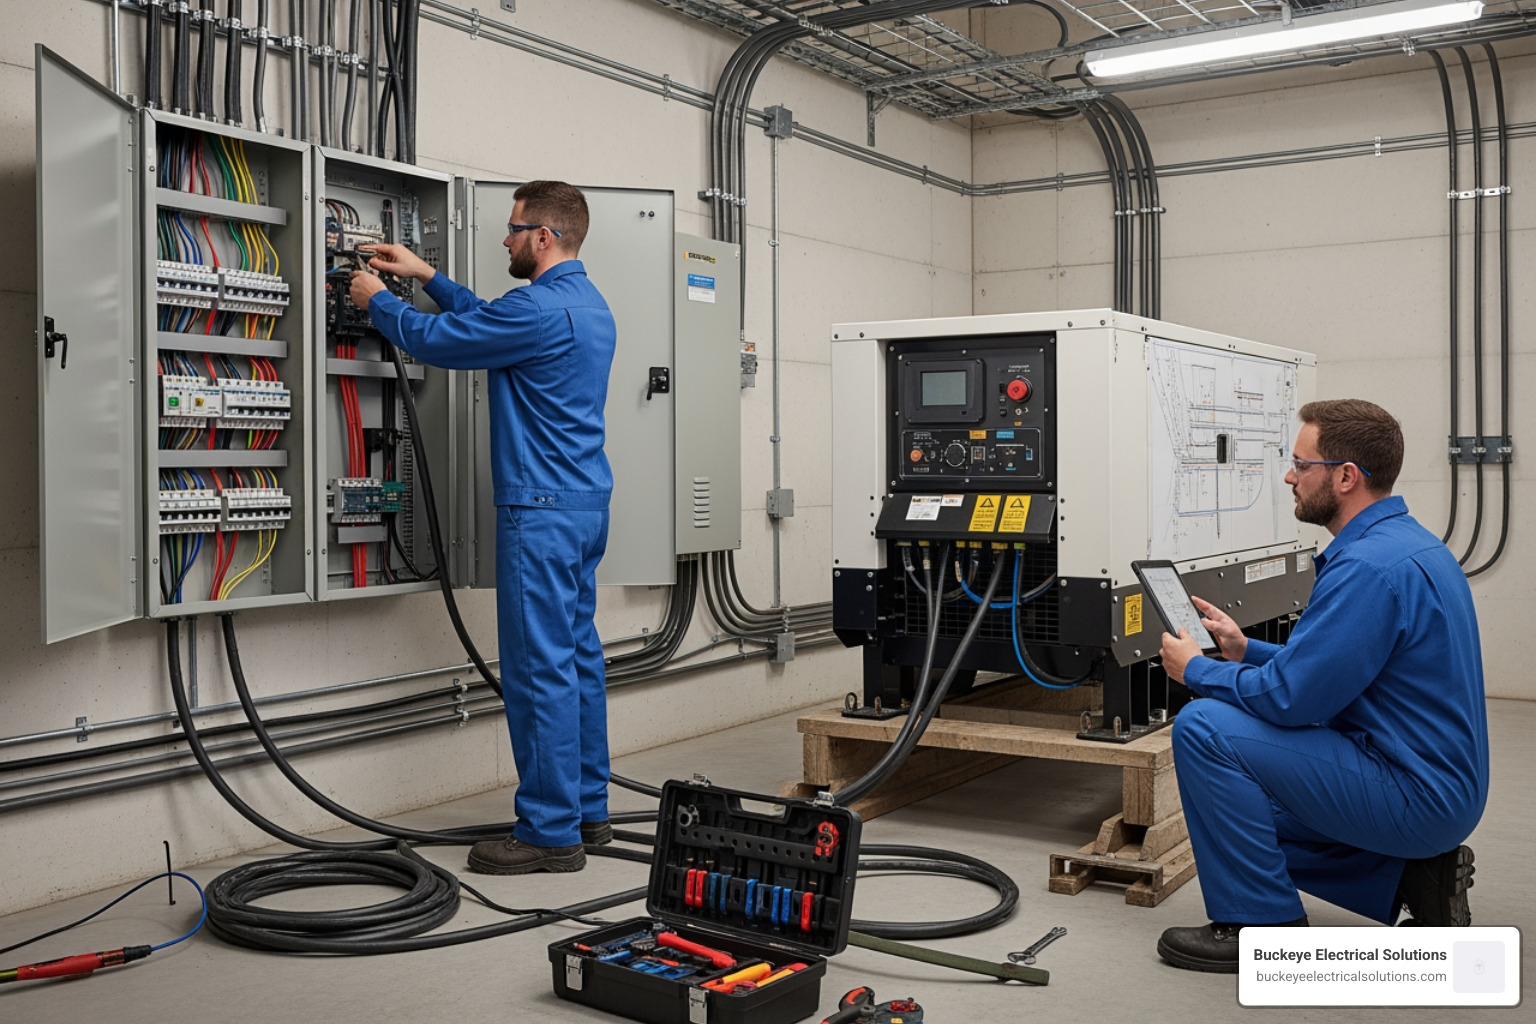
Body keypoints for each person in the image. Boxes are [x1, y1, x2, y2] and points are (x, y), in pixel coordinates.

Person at [1155, 398, 1487, 973]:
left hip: (1415, 793)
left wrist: (1198, 670)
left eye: (1299, 464)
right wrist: (1245, 650)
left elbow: (1292, 700)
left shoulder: (1366, 570)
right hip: (1436, 785)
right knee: (1237, 814)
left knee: (1205, 727)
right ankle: (1410, 878)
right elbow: (1340, 667)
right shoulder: (1406, 546)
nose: (1289, 476)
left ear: (1345, 476)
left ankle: (1261, 927)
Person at [350, 181, 617, 875]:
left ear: (544, 238)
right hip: (585, 508)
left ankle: (549, 833)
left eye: (513, 228)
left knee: (539, 672)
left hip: (542, 513)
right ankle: (588, 811)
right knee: (578, 660)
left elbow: (438, 340)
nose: (505, 238)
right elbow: (493, 319)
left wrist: (374, 300)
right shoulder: (586, 305)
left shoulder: (538, 308)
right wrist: (427, 275)